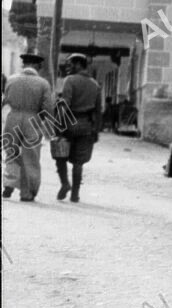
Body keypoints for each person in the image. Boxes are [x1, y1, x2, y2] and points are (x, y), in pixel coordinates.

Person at [2, 52, 54, 201]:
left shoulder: (11, 80)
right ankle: (27, 192)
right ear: (38, 66)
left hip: (14, 117)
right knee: (31, 156)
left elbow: (6, 99)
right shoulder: (43, 83)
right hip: (33, 119)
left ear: (24, 65)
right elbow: (48, 108)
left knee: (11, 152)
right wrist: (49, 127)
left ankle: (9, 184)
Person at [56, 53, 103, 202]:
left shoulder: (69, 80)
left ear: (78, 64)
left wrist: (59, 125)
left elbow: (65, 104)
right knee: (79, 161)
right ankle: (75, 194)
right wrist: (96, 130)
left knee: (60, 155)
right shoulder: (95, 84)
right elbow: (98, 110)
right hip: (86, 126)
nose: (68, 67)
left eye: (70, 64)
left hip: (69, 124)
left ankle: (65, 184)